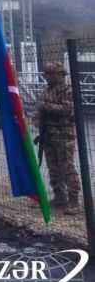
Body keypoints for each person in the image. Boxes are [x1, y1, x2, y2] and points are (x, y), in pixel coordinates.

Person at [37, 62, 81, 215]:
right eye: (47, 74)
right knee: (53, 167)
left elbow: (67, 109)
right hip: (48, 135)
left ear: (61, 74)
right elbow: (38, 112)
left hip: (64, 135)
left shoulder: (68, 90)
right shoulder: (45, 91)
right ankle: (59, 196)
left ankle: (74, 200)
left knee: (67, 167)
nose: (48, 77)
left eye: (51, 73)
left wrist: (45, 106)